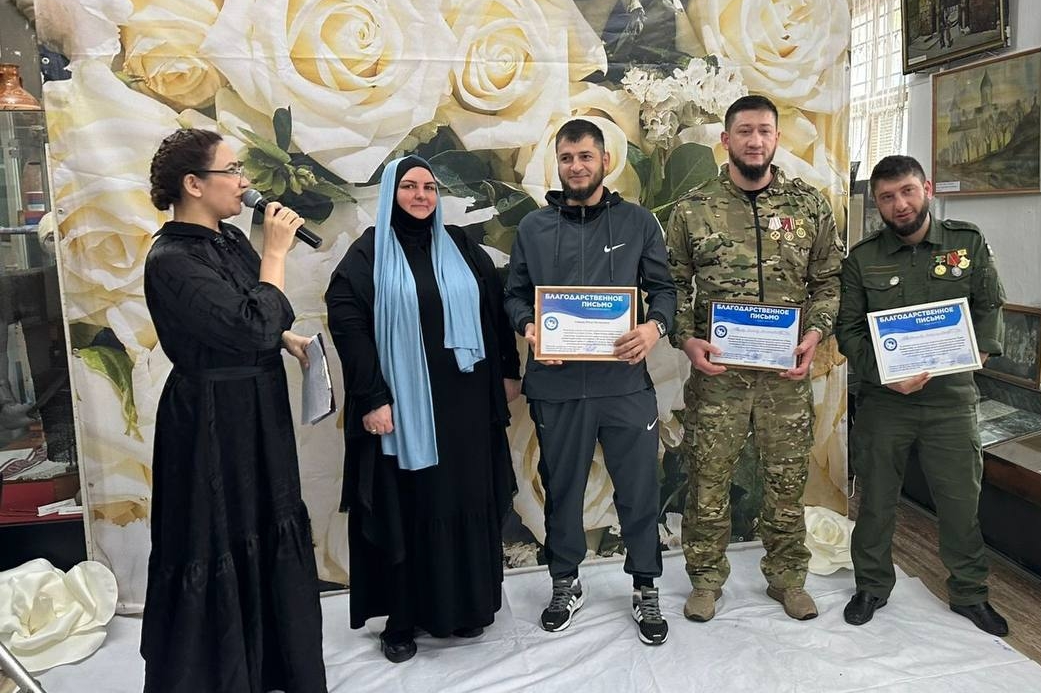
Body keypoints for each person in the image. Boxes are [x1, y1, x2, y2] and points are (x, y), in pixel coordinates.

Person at [141, 128, 326, 692]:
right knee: (215, 532)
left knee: (267, 522)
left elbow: (251, 319)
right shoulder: (170, 259)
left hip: (257, 408)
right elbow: (252, 324)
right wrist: (275, 253)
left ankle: (271, 665)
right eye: (232, 170)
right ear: (194, 184)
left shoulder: (226, 240)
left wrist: (285, 339)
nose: (244, 181)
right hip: (210, 420)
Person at [325, 155, 521, 663]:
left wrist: (507, 370)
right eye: (409, 186)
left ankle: (463, 608)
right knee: (411, 507)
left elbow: (493, 308)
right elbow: (348, 323)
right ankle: (403, 618)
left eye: (429, 187)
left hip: (467, 405)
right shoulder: (369, 253)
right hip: (408, 410)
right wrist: (372, 397)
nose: (421, 196)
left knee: (464, 499)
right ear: (390, 193)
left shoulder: (459, 245)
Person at [666, 95, 844, 623]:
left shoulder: (808, 206)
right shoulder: (693, 208)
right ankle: (705, 580)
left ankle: (788, 578)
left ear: (776, 139)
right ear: (726, 140)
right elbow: (672, 286)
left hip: (784, 378)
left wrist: (815, 333)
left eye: (764, 131)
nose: (755, 140)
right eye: (744, 131)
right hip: (718, 378)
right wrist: (686, 339)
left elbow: (829, 282)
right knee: (708, 482)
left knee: (786, 482)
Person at [504, 119, 677, 646]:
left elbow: (664, 290)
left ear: (605, 160)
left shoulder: (638, 221)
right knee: (562, 491)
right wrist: (529, 327)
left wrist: (654, 327)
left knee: (639, 492)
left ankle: (645, 585)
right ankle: (565, 582)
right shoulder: (533, 227)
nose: (576, 166)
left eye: (585, 156)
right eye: (566, 158)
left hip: (624, 385)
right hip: (556, 388)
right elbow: (514, 295)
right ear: (556, 164)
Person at [834, 154, 1009, 636]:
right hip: (886, 402)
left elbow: (989, 304)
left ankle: (970, 592)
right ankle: (871, 586)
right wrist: (883, 375)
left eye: (908, 191)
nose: (900, 204)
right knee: (876, 502)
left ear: (926, 188)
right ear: (877, 203)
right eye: (887, 197)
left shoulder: (965, 243)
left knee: (960, 502)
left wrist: (981, 350)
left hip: (950, 400)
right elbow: (848, 331)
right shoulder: (862, 259)